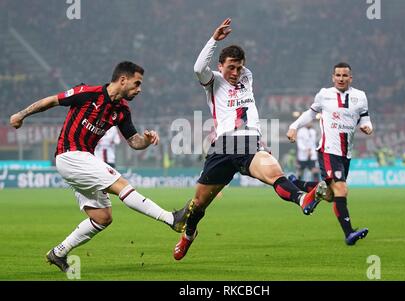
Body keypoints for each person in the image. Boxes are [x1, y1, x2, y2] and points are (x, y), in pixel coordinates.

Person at [9, 61, 189, 272]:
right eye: (137, 83)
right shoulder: (88, 93)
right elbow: (52, 101)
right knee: (121, 184)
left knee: (102, 217)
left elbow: (134, 142)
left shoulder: (122, 111)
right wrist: (21, 115)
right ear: (123, 79)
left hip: (84, 160)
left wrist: (147, 141)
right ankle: (171, 219)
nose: (139, 89)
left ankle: (58, 252)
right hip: (69, 155)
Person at [172, 18, 327, 261]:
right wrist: (214, 39)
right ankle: (188, 235)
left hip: (248, 142)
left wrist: (261, 140)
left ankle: (302, 199)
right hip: (223, 145)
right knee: (199, 203)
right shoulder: (212, 80)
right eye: (231, 67)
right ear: (220, 66)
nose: (235, 73)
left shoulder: (247, 76)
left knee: (274, 173)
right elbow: (197, 68)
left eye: (239, 68)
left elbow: (249, 109)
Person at [286, 62, 373, 246]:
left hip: (346, 154)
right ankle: (349, 234)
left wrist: (367, 126)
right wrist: (294, 126)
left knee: (332, 195)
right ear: (333, 77)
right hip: (328, 150)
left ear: (351, 77)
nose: (341, 79)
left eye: (345, 75)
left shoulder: (360, 96)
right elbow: (310, 114)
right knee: (341, 189)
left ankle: (297, 183)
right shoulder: (324, 94)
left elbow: (365, 118)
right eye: (338, 75)